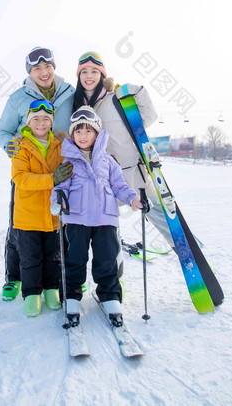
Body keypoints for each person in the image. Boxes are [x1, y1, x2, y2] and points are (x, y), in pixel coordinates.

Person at [73, 51, 175, 249]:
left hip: (135, 176)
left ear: (102, 74)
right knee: (108, 232)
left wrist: (138, 93)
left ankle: (192, 259)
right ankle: (115, 276)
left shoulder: (115, 100)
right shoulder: (77, 106)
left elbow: (147, 119)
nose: (89, 76)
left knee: (164, 220)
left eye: (94, 71)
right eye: (84, 71)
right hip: (103, 179)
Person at [0, 47, 75, 301]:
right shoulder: (18, 98)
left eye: (47, 67)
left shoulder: (69, 93)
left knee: (60, 225)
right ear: (30, 72)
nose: (43, 72)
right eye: (36, 69)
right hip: (28, 169)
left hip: (60, 167)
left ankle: (60, 278)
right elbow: (3, 131)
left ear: (54, 67)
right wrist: (11, 147)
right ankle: (15, 277)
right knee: (20, 226)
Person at [50, 106, 142, 326]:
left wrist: (132, 198)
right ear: (72, 135)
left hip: (105, 219)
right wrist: (58, 200)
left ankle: (109, 296)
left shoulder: (108, 161)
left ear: (97, 134)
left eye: (88, 131)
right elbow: (61, 186)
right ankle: (71, 296)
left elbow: (119, 185)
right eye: (78, 132)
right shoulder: (69, 161)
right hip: (77, 219)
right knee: (75, 260)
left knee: (107, 260)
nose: (83, 136)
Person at [11, 99, 73, 317]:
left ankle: (50, 289)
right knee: (30, 257)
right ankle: (31, 293)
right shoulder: (22, 146)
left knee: (52, 256)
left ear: (51, 121)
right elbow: (20, 177)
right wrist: (51, 179)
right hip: (28, 215)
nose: (40, 123)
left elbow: (68, 170)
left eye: (46, 118)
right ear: (29, 121)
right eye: (35, 119)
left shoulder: (59, 144)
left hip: (53, 214)